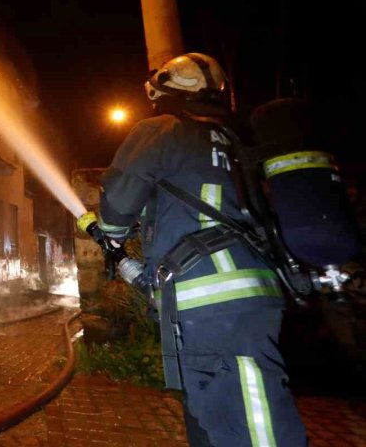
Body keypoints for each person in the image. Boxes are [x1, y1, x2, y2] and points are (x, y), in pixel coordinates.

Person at [93, 53, 308, 447]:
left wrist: (108, 232)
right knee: (215, 416)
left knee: (250, 422)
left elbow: (116, 209)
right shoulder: (233, 140)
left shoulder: (161, 130)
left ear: (163, 90)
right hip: (254, 288)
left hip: (211, 296)